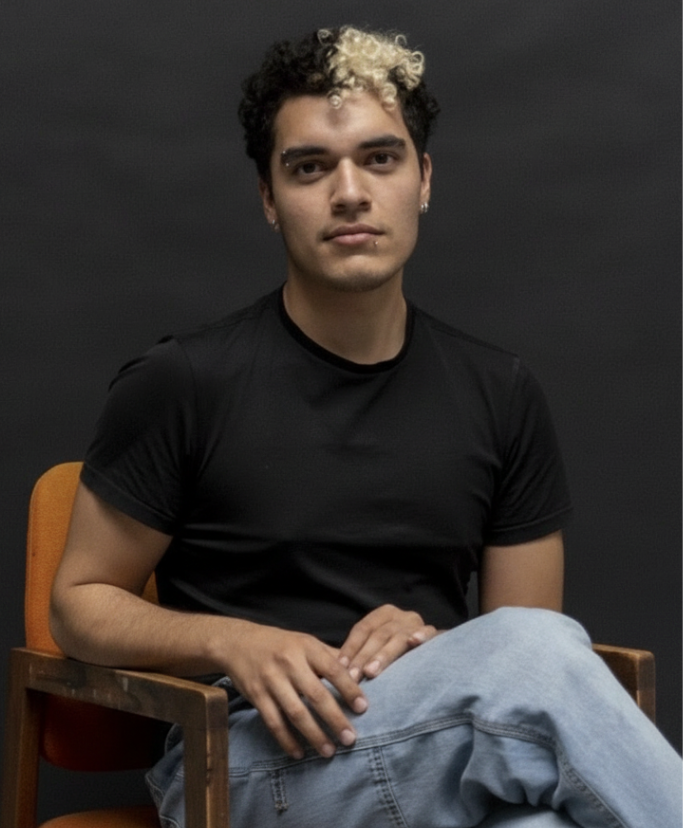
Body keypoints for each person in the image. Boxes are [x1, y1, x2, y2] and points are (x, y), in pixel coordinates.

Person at [50, 25, 683, 828]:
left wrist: (436, 644)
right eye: (310, 167)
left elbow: (524, 637)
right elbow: (77, 603)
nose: (349, 192)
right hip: (246, 764)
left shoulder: (500, 391)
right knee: (538, 660)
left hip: (440, 745)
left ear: (423, 179)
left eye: (379, 159)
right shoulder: (184, 382)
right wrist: (232, 643)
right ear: (269, 199)